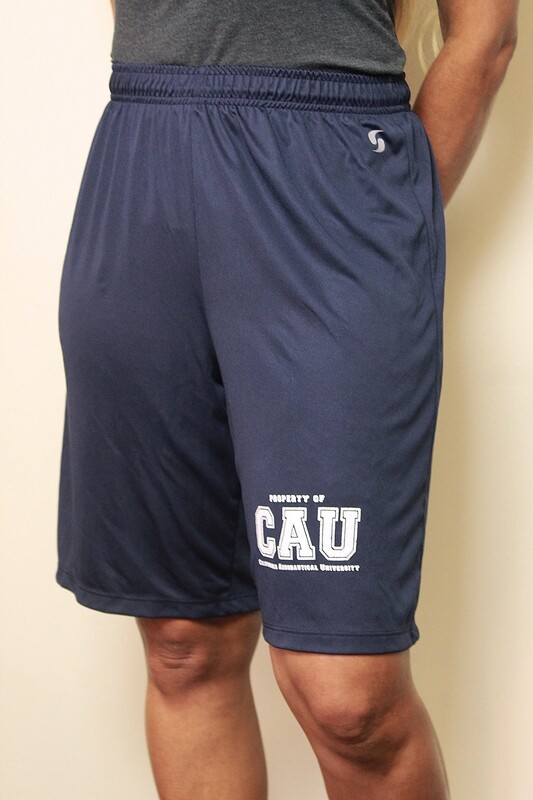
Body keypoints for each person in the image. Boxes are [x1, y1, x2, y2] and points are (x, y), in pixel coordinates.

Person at [55, 0, 518, 797]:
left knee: (350, 701)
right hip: (141, 154)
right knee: (182, 641)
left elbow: (484, 34)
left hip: (328, 160)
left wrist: (388, 220)